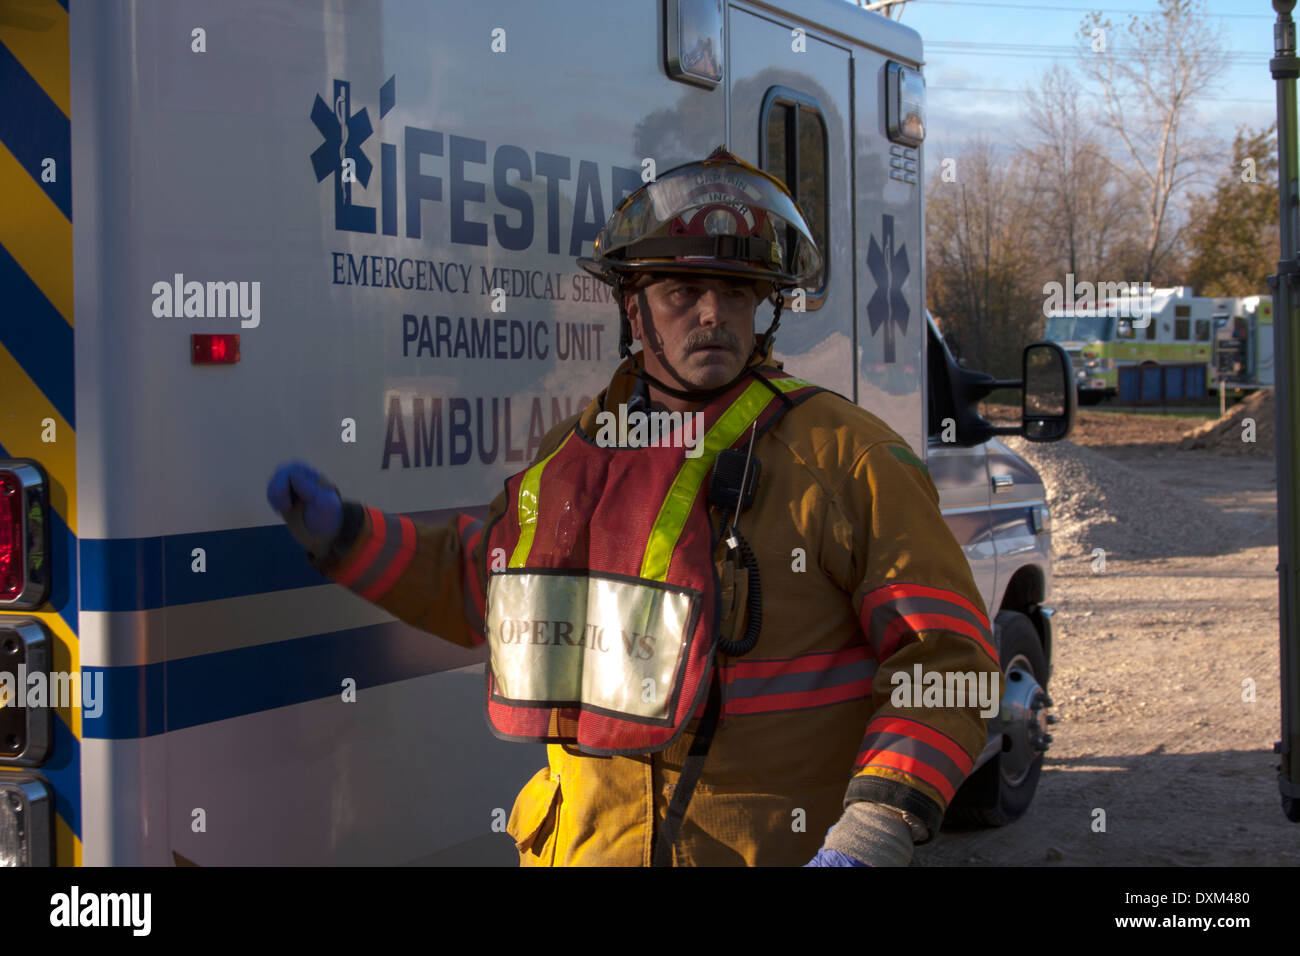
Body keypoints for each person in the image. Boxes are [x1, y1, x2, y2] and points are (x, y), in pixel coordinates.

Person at [267, 148, 1001, 867]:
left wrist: (874, 829)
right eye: (684, 293)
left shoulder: (846, 459)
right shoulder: (575, 457)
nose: (713, 313)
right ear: (633, 309)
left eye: (738, 293)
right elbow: (480, 586)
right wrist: (347, 537)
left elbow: (949, 660)